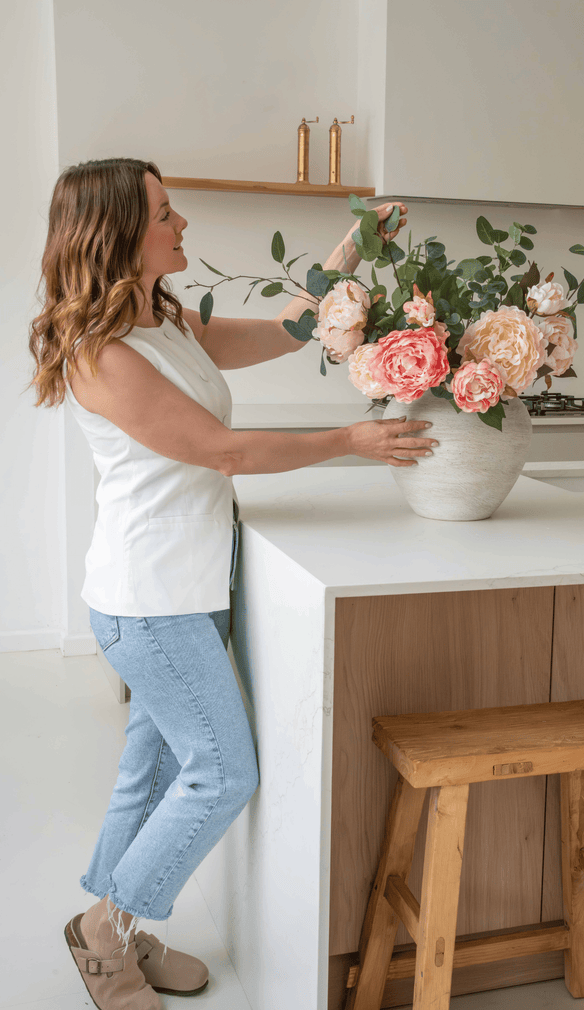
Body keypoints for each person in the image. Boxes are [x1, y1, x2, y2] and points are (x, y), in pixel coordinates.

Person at [26, 157, 438, 1010]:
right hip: (148, 601)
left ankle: (119, 931)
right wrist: (348, 441)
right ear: (117, 233)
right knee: (222, 773)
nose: (182, 227)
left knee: (150, 773)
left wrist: (355, 245)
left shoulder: (167, 323)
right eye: (166, 214)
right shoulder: (101, 354)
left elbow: (291, 329)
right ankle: (106, 935)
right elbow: (222, 450)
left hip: (184, 588)